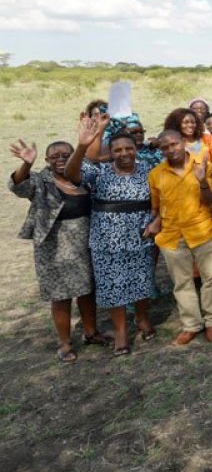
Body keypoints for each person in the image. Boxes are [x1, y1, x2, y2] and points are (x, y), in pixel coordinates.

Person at [9, 138, 110, 362]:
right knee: (60, 295)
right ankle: (64, 343)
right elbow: (19, 186)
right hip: (53, 246)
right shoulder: (41, 180)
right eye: (55, 156)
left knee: (87, 289)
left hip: (85, 241)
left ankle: (91, 332)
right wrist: (26, 164)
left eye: (66, 155)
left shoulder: (82, 178)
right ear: (47, 160)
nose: (61, 159)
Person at [66, 117, 157, 356]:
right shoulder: (99, 171)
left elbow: (163, 201)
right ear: (111, 152)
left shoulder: (150, 171)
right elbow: (71, 174)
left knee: (141, 280)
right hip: (107, 241)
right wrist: (82, 146)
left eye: (128, 148)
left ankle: (142, 318)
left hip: (141, 236)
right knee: (113, 285)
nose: (124, 153)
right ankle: (120, 333)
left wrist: (157, 221)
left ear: (136, 149)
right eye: (117, 149)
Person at [147, 130, 212, 345]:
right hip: (172, 236)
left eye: (174, 144)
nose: (171, 150)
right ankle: (191, 324)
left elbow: (210, 201)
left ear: (183, 142)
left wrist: (201, 181)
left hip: (202, 231)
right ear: (161, 150)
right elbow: (156, 207)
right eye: (165, 147)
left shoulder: (203, 166)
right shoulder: (156, 174)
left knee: (211, 278)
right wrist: (155, 222)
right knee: (182, 283)